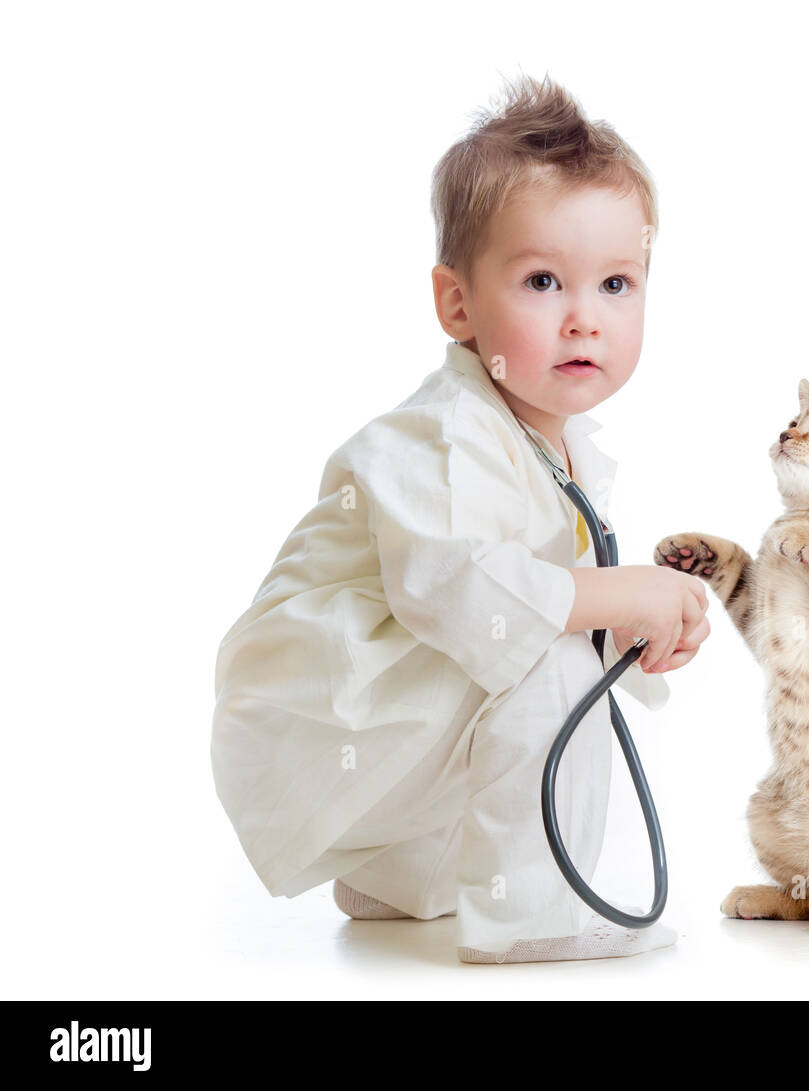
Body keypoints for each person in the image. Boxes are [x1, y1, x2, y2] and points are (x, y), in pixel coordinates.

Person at [210, 73, 710, 964]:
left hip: (367, 722)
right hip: (324, 716)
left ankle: (400, 879)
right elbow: (470, 596)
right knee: (543, 657)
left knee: (548, 645)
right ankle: (534, 915)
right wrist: (620, 594)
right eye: (544, 280)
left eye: (617, 284)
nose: (583, 319)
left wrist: (632, 620)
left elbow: (524, 610)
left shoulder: (552, 446)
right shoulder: (450, 435)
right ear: (457, 304)